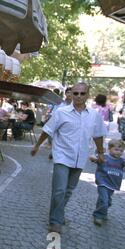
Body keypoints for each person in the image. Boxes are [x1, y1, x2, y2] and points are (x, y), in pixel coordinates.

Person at [31, 82, 107, 233]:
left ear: (87, 95)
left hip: (80, 158)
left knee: (69, 190)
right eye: (75, 93)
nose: (78, 96)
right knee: (59, 190)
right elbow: (48, 130)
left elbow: (98, 135)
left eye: (82, 93)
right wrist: (37, 145)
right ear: (71, 94)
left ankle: (58, 214)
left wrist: (101, 152)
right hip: (62, 156)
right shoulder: (61, 112)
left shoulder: (94, 115)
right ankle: (55, 221)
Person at [90, 139, 125, 226]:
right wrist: (95, 158)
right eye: (116, 150)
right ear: (109, 148)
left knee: (106, 201)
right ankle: (98, 216)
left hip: (112, 184)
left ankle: (102, 210)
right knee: (104, 200)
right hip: (103, 182)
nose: (119, 152)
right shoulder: (104, 157)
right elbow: (92, 157)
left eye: (121, 151)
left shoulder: (122, 161)